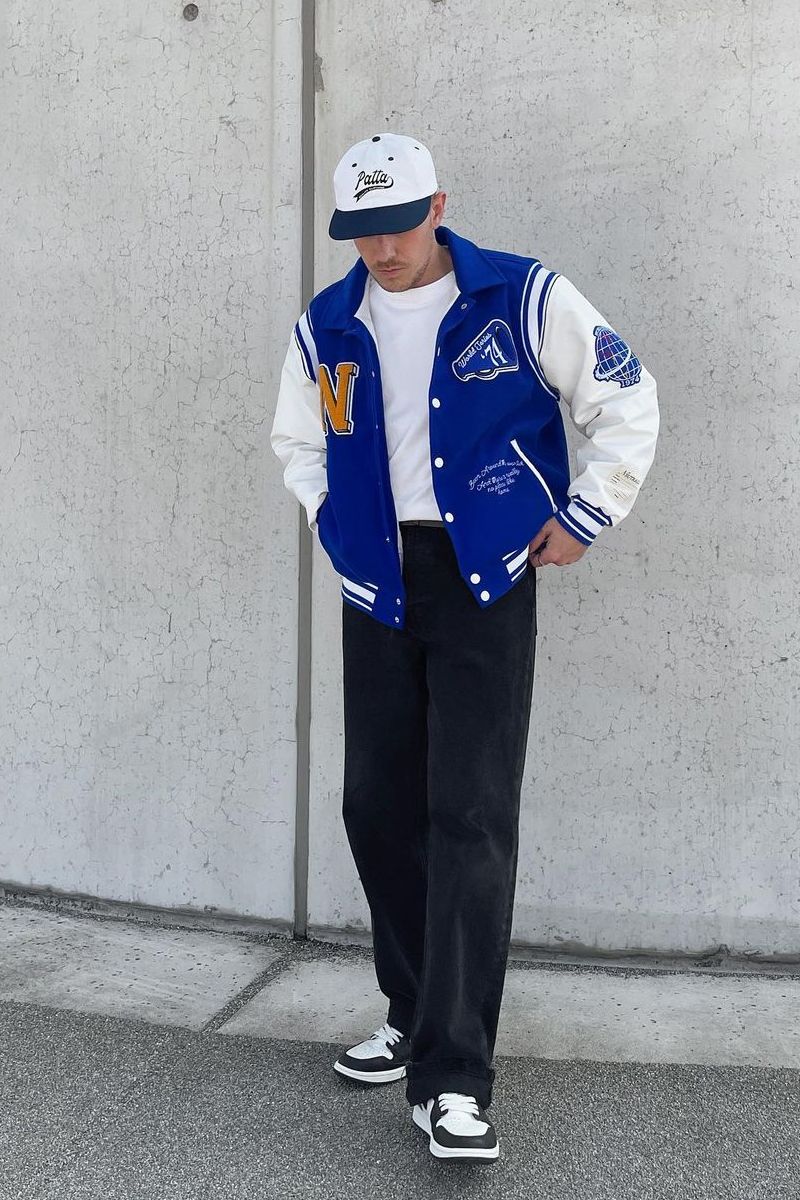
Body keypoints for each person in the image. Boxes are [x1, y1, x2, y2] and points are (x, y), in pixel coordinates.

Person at [270, 132, 659, 1162]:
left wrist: (586, 511)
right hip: (377, 580)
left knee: (470, 815)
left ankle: (454, 1080)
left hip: (484, 577)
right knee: (374, 804)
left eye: (398, 225)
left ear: (438, 206)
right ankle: (412, 1008)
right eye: (361, 232)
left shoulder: (522, 297)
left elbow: (624, 397)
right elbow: (298, 440)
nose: (382, 250)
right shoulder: (329, 321)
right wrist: (334, 525)